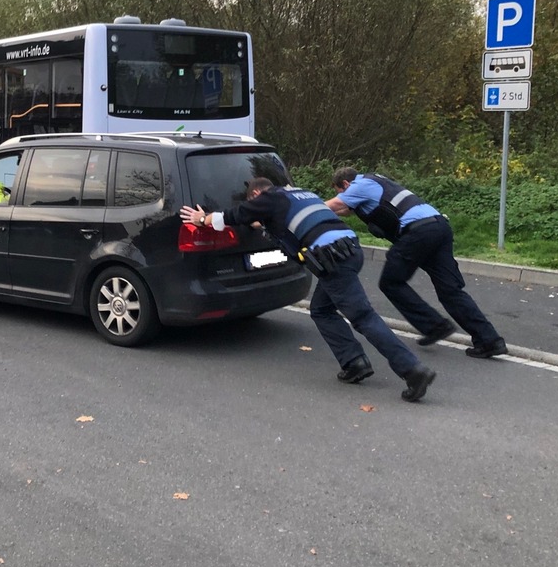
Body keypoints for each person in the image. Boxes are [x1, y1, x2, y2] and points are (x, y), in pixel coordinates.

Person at [180, 179, 436, 403]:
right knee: (321, 310)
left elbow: (233, 216)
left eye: (253, 201)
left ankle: (412, 370)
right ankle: (354, 363)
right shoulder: (301, 193)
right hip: (348, 250)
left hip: (332, 259)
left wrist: (202, 219)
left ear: (257, 195)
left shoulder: (268, 199)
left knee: (363, 316)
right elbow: (270, 221)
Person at [326, 167, 507, 359]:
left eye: (340, 191)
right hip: (438, 226)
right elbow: (345, 210)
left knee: (390, 283)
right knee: (450, 291)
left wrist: (309, 211)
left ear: (345, 184)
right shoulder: (377, 181)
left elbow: (336, 205)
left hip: (417, 233)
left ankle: (434, 326)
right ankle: (490, 340)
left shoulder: (359, 185)